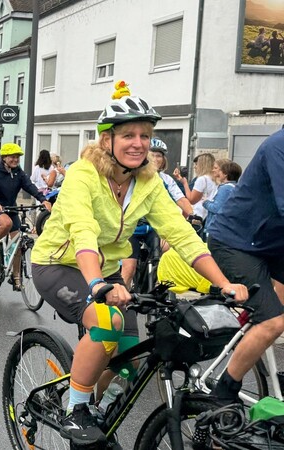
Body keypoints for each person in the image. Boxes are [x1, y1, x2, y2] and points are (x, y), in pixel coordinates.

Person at [29, 84, 247, 445]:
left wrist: (223, 284)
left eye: (145, 135)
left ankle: (91, 404)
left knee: (127, 360)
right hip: (60, 263)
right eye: (128, 134)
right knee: (106, 322)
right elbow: (82, 231)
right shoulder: (84, 174)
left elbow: (182, 234)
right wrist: (97, 283)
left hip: (108, 272)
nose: (138, 143)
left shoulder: (148, 182)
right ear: (106, 140)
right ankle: (76, 408)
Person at [206, 128, 284, 407]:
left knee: (276, 314)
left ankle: (264, 343)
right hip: (236, 243)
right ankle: (225, 390)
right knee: (273, 320)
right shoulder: (279, 146)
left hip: (272, 244)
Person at [121, 137, 196, 287]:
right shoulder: (132, 177)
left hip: (154, 228)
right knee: (128, 269)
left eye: (159, 155)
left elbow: (181, 199)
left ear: (163, 160)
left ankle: (156, 284)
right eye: (152, 154)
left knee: (167, 250)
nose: (155, 159)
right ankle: (119, 303)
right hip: (132, 229)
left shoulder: (166, 179)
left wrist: (193, 215)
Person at [0, 143, 51, 288]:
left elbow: (30, 186)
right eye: (12, 157)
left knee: (17, 243)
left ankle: (16, 278)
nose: (15, 160)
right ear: (4, 157)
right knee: (6, 224)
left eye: (17, 157)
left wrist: (43, 199)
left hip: (11, 207)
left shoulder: (19, 172)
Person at [203, 159, 242, 235]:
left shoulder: (225, 188)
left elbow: (216, 208)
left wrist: (205, 202)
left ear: (225, 174)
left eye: (220, 170)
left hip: (216, 229)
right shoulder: (235, 187)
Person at [176, 152, 216, 220]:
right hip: (209, 215)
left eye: (197, 164)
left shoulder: (202, 179)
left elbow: (191, 200)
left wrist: (184, 183)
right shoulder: (215, 179)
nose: (195, 167)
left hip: (199, 215)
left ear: (203, 165)